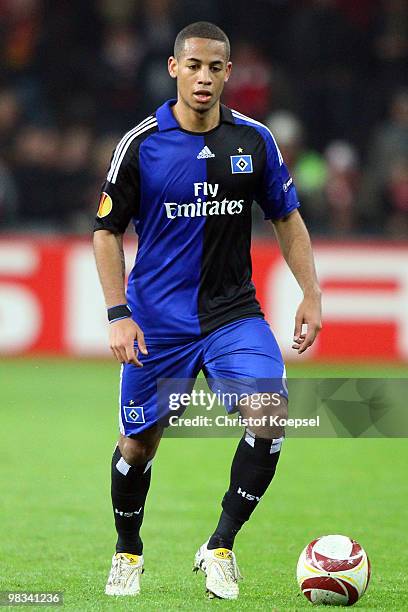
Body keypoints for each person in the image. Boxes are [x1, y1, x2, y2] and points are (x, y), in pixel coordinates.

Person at [93, 21, 322, 601]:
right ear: (174, 68)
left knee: (269, 413)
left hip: (232, 316)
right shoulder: (142, 143)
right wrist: (118, 312)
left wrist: (311, 294)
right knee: (138, 447)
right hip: (158, 324)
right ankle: (128, 552)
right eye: (193, 65)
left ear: (228, 73)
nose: (204, 77)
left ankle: (220, 545)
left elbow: (286, 217)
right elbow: (105, 231)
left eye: (215, 67)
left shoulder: (253, 141)